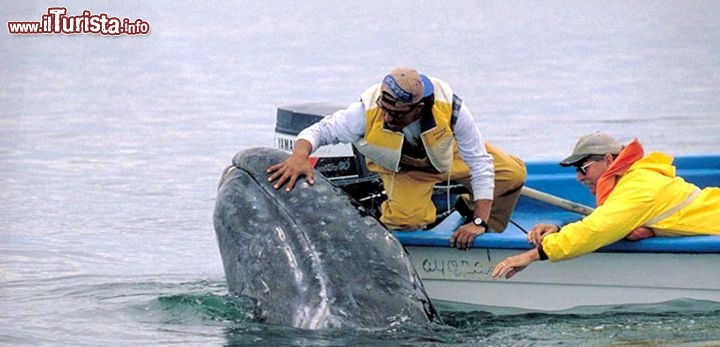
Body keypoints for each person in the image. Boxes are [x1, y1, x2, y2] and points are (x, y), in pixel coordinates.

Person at [267, 67, 527, 250]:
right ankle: (378, 221)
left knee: (512, 175)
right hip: (401, 167)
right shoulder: (364, 112)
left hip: (447, 153)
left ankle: (475, 222)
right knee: (408, 220)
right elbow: (319, 131)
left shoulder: (451, 106)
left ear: (419, 108)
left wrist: (479, 222)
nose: (388, 118)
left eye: (397, 114)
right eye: (385, 110)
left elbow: (480, 163)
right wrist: (299, 156)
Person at [492, 131, 720, 279]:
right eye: (576, 170)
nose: (579, 178)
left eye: (584, 168)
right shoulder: (637, 178)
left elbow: (597, 230)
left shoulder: (639, 187)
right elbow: (606, 221)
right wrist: (559, 230)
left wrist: (531, 255)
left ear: (609, 161)